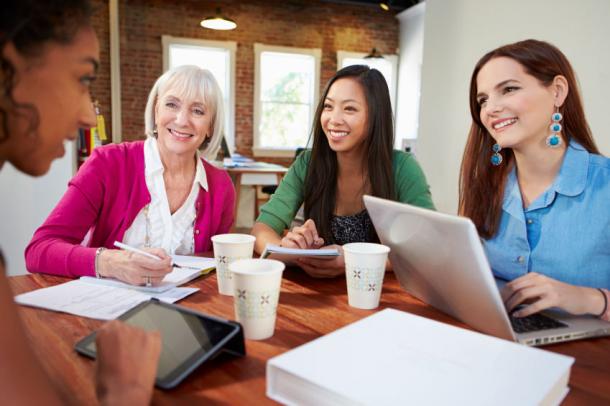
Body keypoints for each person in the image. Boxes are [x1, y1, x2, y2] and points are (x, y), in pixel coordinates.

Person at [0, 1, 161, 404]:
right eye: (83, 79)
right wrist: (124, 391)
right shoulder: (112, 161)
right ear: (10, 66)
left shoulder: (218, 186)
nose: (90, 116)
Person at [25, 64, 235, 286]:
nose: (182, 120)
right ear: (156, 111)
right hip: (103, 311)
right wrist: (110, 262)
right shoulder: (107, 163)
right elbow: (39, 250)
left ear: (210, 126)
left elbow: (216, 268)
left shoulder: (221, 186)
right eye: (171, 104)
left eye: (198, 111)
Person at [459, 39, 610, 320]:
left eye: (509, 89)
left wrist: (590, 298)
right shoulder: (487, 186)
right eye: (483, 100)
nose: (491, 108)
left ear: (557, 91)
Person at [252, 65, 434, 278]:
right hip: (321, 297)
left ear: (375, 116)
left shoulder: (402, 168)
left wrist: (354, 260)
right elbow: (261, 230)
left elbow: (429, 247)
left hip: (381, 297)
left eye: (349, 109)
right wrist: (290, 250)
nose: (333, 119)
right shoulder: (308, 163)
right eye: (328, 107)